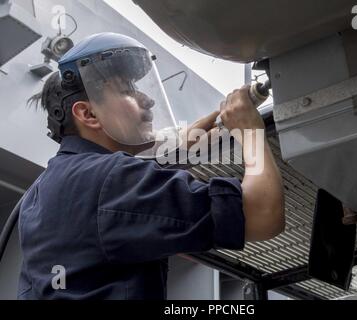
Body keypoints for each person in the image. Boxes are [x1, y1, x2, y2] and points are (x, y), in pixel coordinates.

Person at [19, 32, 285, 299]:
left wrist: (184, 143)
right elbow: (263, 213)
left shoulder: (38, 195)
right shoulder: (112, 181)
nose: (148, 100)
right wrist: (250, 130)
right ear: (88, 114)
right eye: (127, 91)